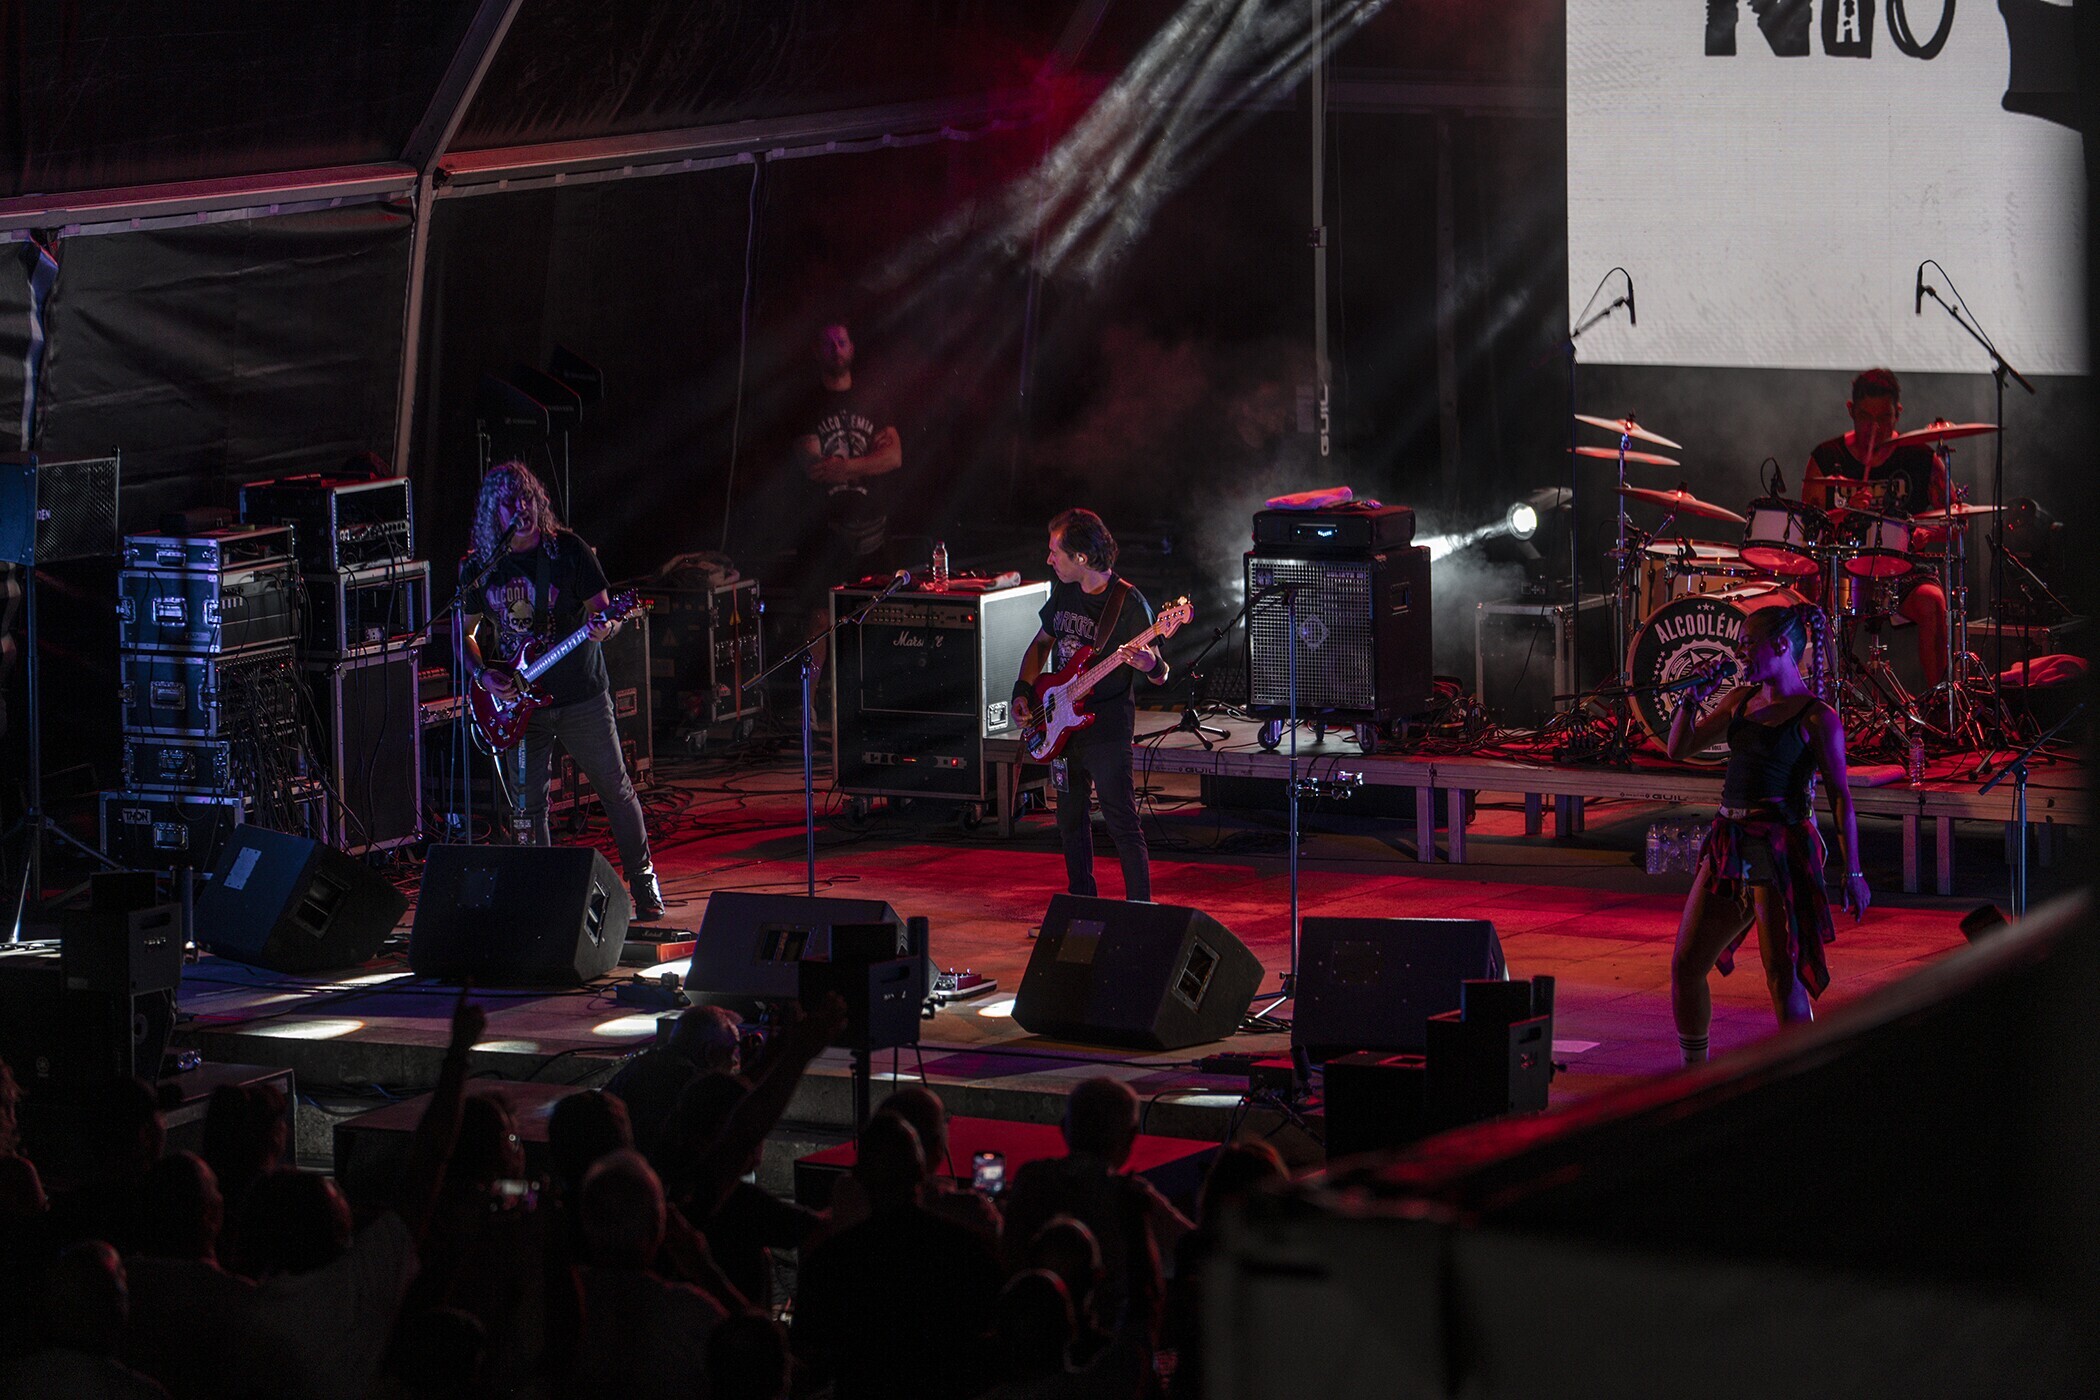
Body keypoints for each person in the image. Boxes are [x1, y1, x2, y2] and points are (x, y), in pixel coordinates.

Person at [1665, 602, 1870, 1065]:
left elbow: (1840, 796)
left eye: (1747, 643)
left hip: (1778, 848)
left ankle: (1799, 1073)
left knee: (1781, 971)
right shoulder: (1740, 700)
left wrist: (1853, 871)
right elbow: (1680, 747)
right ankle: (1695, 1075)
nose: (1739, 652)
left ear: (1780, 646)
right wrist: (1691, 699)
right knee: (1686, 964)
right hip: (1729, 842)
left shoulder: (1817, 716)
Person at [459, 461, 663, 920]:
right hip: (516, 704)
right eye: (511, 502)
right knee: (528, 808)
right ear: (494, 511)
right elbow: (466, 633)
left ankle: (643, 882)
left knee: (615, 789)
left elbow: (605, 613)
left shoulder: (568, 551)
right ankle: (543, 899)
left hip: (581, 695)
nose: (522, 508)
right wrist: (482, 674)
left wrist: (605, 628)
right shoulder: (479, 566)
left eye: (528, 498)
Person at [1011, 510, 1170, 903]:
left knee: (1121, 822)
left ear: (1081, 557)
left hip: (1107, 728)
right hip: (1061, 724)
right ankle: (1081, 905)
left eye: (1055, 552)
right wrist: (1023, 690)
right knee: (1069, 821)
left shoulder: (1128, 602)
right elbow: (1041, 643)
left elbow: (1161, 674)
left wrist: (1150, 664)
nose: (1049, 559)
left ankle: (1140, 910)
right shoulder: (1065, 591)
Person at [1801, 367, 1951, 688]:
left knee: (1933, 602)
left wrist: (1928, 533)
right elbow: (1808, 528)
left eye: (1884, 418)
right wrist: (1846, 512)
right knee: (1821, 606)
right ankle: (1830, 698)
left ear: (1898, 413)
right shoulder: (1827, 458)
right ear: (1850, 410)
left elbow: (1956, 519)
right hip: (1846, 568)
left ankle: (1941, 701)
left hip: (1905, 568)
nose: (1875, 428)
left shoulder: (1920, 457)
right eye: (1865, 418)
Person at [791, 320, 904, 678]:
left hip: (873, 530)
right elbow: (814, 467)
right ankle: (808, 701)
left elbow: (894, 457)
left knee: (881, 616)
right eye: (828, 344)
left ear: (852, 347)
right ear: (818, 352)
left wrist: (844, 466)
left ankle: (873, 695)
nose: (836, 350)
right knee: (819, 617)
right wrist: (869, 462)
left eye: (841, 342)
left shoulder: (873, 398)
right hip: (826, 531)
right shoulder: (809, 403)